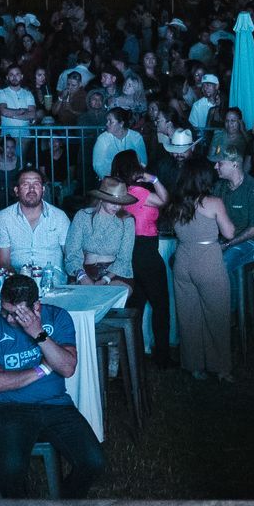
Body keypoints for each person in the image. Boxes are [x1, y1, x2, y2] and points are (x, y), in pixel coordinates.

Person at [0, 275, 105, 498]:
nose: (8, 319)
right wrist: (43, 369)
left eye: (16, 314)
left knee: (94, 461)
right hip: (9, 408)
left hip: (56, 406)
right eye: (4, 310)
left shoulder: (58, 318)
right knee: (9, 471)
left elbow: (66, 367)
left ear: (36, 307)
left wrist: (37, 333)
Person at [166, 156, 238, 381]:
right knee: (217, 314)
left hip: (183, 260)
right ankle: (221, 368)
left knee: (188, 316)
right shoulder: (214, 203)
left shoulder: (175, 203)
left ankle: (194, 365)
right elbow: (229, 233)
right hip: (207, 260)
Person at [110, 150, 174, 367]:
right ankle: (162, 356)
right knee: (161, 305)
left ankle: (134, 353)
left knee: (137, 303)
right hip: (146, 249)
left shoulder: (121, 191)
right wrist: (153, 178)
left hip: (130, 250)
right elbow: (164, 200)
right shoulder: (138, 190)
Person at [213, 144, 254, 320]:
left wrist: (228, 244)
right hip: (224, 240)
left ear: (235, 164)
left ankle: (229, 315)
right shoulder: (219, 187)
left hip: (251, 243)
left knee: (223, 262)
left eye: (220, 163)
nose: (216, 167)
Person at [0, 166, 70, 276]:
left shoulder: (59, 217)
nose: (31, 189)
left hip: (53, 279)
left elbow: (71, 256)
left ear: (43, 189)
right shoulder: (4, 217)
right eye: (25, 184)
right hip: (17, 279)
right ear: (16, 190)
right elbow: (3, 263)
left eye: (36, 184)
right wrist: (16, 280)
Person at [62, 178, 137, 284]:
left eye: (120, 202)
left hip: (115, 273)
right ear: (101, 199)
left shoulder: (127, 221)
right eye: (113, 202)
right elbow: (72, 251)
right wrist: (82, 276)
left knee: (110, 296)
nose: (117, 206)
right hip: (83, 270)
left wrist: (105, 279)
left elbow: (125, 258)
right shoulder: (83, 216)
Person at [91, 108, 148, 179]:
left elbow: (143, 162)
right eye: (107, 121)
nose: (107, 124)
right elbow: (97, 165)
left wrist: (134, 178)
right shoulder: (102, 139)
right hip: (109, 180)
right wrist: (110, 180)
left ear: (121, 124)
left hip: (132, 179)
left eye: (110, 121)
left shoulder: (136, 137)